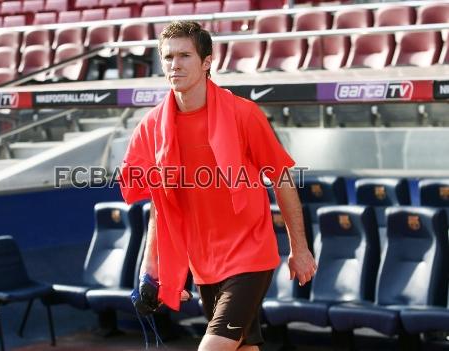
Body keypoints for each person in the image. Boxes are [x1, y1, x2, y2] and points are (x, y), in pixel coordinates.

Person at [119, 21, 316, 351]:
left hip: (249, 254)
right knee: (243, 348)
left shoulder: (244, 114)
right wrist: (151, 269)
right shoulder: (153, 125)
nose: (175, 65)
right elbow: (161, 203)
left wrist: (300, 248)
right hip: (204, 263)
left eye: (184, 56)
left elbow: (281, 177)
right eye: (168, 57)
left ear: (207, 62)